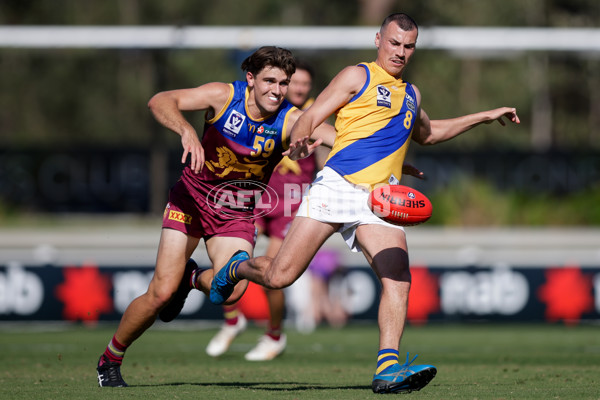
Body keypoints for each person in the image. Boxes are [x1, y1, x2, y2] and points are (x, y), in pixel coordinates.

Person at [209, 13, 520, 395]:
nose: (400, 52)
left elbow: (431, 132)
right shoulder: (358, 76)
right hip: (337, 187)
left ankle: (387, 368)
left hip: (380, 201)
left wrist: (485, 116)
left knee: (398, 278)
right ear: (378, 39)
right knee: (279, 276)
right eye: (394, 43)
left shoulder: (412, 94)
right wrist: (303, 139)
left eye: (408, 47)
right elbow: (310, 115)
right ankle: (237, 269)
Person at [95, 46, 337, 387]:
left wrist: (386, 165)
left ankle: (191, 280)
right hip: (190, 202)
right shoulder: (223, 97)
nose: (277, 90)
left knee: (234, 292)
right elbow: (160, 101)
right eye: (269, 81)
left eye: (283, 83)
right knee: (160, 294)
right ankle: (110, 358)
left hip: (235, 213)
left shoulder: (293, 119)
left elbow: (340, 140)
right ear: (250, 79)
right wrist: (186, 130)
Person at [205, 61, 319, 361]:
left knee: (272, 270)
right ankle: (233, 320)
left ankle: (274, 335)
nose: (298, 88)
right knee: (226, 260)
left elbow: (330, 148)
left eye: (304, 84)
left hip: (290, 204)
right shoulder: (264, 108)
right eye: (295, 83)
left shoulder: (310, 116)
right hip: (257, 197)